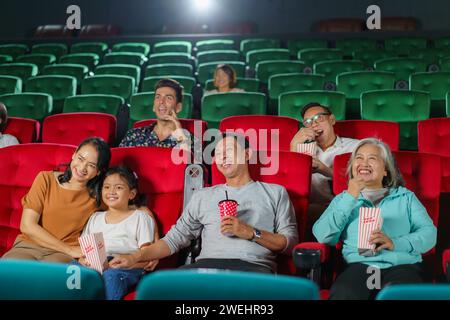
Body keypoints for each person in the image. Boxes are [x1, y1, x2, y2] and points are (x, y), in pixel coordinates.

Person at [109, 133, 298, 274]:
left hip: (252, 269)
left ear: (247, 154)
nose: (222, 157)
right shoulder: (202, 196)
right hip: (205, 267)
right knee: (162, 287)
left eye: (229, 151)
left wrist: (250, 233)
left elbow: (289, 244)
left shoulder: (274, 192)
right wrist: (134, 257)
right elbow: (174, 239)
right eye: (218, 154)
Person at [313, 138, 437, 300]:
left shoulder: (406, 197)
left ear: (386, 169)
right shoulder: (343, 199)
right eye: (359, 158)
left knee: (400, 295)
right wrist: (350, 197)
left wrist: (395, 243)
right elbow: (323, 236)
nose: (364, 163)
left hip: (401, 266)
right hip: (360, 265)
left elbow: (429, 234)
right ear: (353, 168)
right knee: (345, 294)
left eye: (372, 158)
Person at [2, 137, 111, 262]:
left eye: (91, 165)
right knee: (8, 273)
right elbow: (27, 225)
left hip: (61, 256)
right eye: (80, 159)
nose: (82, 168)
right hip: (28, 246)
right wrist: (69, 249)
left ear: (98, 171)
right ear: (74, 155)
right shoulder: (45, 179)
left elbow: (125, 211)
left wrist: (134, 257)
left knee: (48, 279)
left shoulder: (98, 196)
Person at [77, 166, 157, 300]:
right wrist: (82, 260)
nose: (111, 192)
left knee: (112, 276)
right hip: (97, 265)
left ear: (132, 194)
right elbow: (85, 249)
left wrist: (128, 263)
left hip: (125, 267)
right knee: (71, 270)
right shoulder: (95, 217)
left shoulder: (140, 217)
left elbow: (146, 256)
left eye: (119, 187)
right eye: (107, 187)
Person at [290, 102, 359, 227]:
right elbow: (290, 184)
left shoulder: (355, 147)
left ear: (332, 119)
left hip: (347, 207)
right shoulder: (303, 150)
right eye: (308, 122)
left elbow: (363, 184)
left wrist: (324, 169)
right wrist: (294, 145)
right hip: (312, 208)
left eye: (319, 118)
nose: (314, 124)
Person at [119, 78, 191, 151]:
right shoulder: (133, 135)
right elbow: (117, 160)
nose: (161, 102)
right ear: (154, 106)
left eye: (168, 98)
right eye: (158, 97)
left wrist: (179, 133)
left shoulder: (192, 140)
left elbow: (194, 161)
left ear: (178, 107)